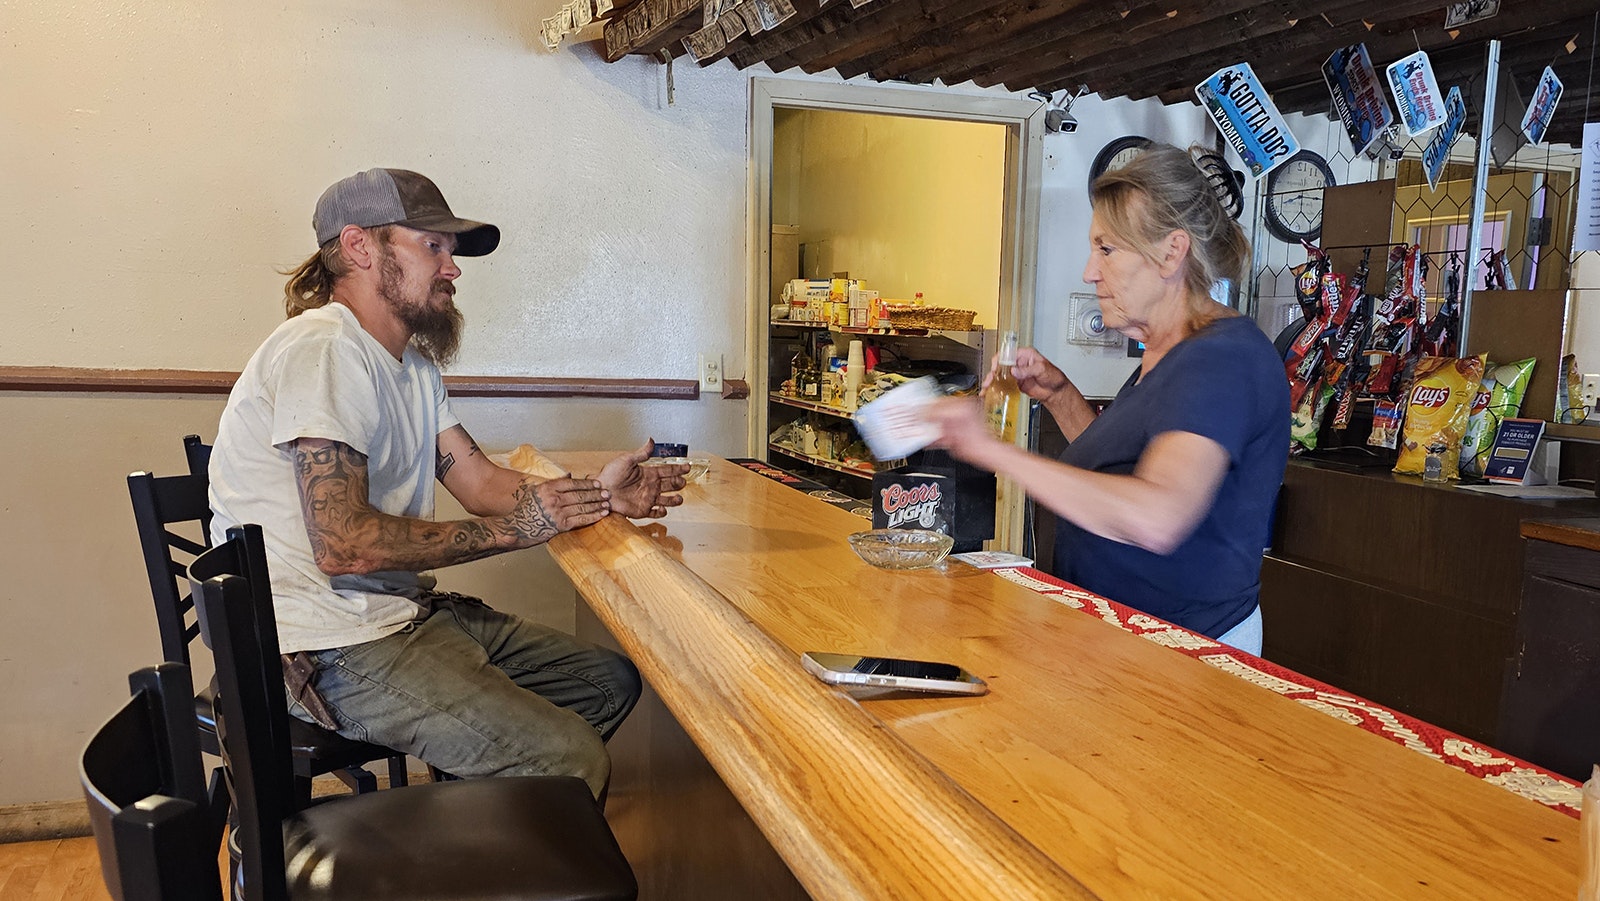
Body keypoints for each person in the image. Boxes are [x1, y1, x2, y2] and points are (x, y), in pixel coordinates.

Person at [208, 167, 687, 798]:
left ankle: (468, 827)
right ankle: (470, 849)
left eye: (451, 251)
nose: (452, 268)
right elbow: (344, 546)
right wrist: (515, 531)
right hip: (324, 645)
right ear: (358, 247)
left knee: (607, 682)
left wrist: (602, 496)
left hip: (395, 616)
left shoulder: (412, 365)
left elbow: (480, 479)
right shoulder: (325, 350)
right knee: (568, 759)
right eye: (432, 246)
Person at [927, 145, 1289, 655]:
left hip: (1185, 656)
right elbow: (1122, 470)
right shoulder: (1167, 354)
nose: (1089, 272)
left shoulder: (1223, 360)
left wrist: (991, 450)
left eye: (1107, 249)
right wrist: (1058, 395)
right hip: (1123, 638)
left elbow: (1155, 515)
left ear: (1171, 251)